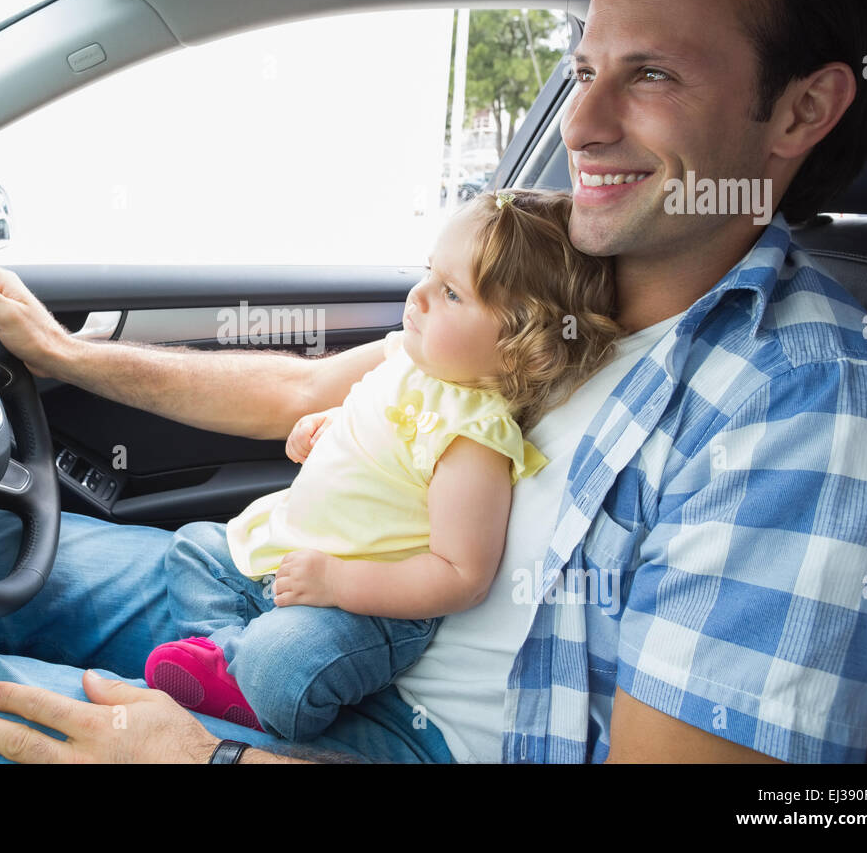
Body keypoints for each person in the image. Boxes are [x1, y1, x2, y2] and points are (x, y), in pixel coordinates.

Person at [0, 0, 867, 764]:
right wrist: (58, 353)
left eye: (651, 75)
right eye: (584, 66)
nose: (584, 121)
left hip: (393, 726)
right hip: (262, 590)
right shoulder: (567, 280)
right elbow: (314, 384)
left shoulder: (815, 408)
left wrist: (203, 754)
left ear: (799, 108)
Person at [143, 190, 619, 741]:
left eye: (450, 293)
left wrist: (338, 582)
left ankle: (249, 675)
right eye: (428, 272)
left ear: (520, 345)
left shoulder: (472, 438)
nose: (418, 297)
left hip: (366, 606)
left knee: (284, 667)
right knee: (194, 548)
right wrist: (324, 424)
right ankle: (226, 656)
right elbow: (373, 421)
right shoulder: (407, 359)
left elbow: (461, 577)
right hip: (288, 553)